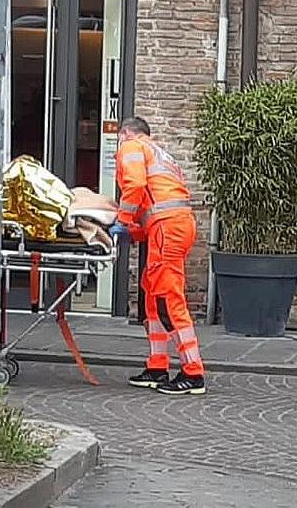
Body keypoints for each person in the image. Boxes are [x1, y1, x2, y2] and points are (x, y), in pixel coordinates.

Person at [108, 117, 206, 395]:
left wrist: (123, 219)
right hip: (172, 225)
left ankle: (193, 372)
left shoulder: (131, 146)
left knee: (167, 299)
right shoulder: (160, 154)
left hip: (167, 228)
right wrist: (137, 230)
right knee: (153, 298)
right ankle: (157, 365)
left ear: (126, 133)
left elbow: (136, 186)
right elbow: (155, 196)